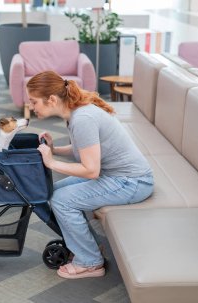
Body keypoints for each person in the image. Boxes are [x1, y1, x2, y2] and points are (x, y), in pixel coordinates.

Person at [26, 71, 154, 279]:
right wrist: (55, 149)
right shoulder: (76, 112)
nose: (31, 107)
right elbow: (85, 149)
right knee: (54, 190)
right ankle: (90, 248)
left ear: (51, 99)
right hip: (115, 176)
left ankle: (90, 262)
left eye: (33, 102)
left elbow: (91, 170)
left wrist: (51, 162)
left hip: (132, 182)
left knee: (61, 201)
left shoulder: (82, 118)